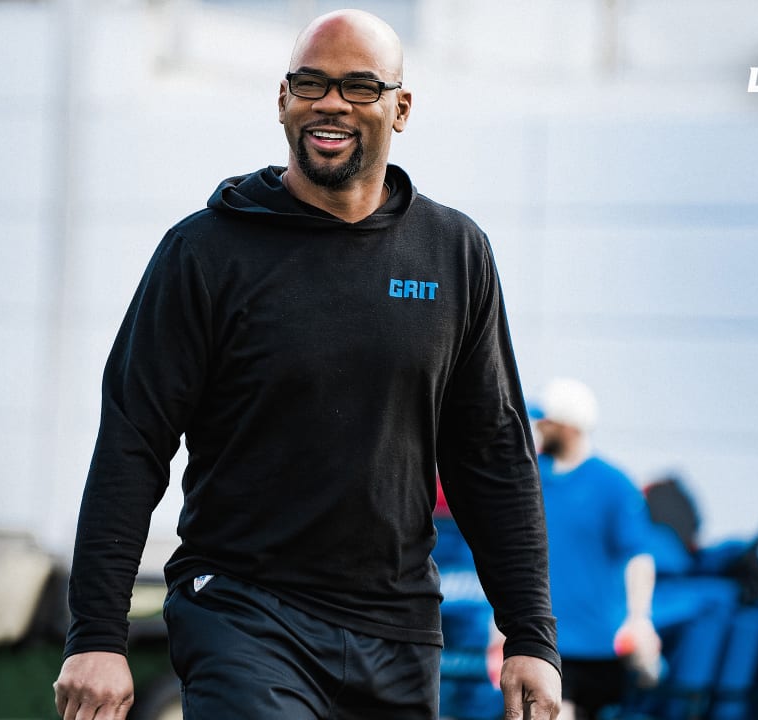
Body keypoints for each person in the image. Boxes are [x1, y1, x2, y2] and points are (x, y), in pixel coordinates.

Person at [54, 9, 561, 720]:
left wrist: (530, 636)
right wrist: (97, 636)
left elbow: (492, 455)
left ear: (401, 107)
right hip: (243, 613)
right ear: (283, 98)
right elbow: (132, 443)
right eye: (311, 83)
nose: (330, 103)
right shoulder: (205, 253)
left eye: (359, 86)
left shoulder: (455, 253)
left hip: (398, 629)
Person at [534, 377, 660, 720]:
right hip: (545, 639)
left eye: (547, 422)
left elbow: (638, 556)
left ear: (569, 427)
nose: (539, 428)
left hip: (597, 642)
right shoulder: (532, 478)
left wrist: (639, 619)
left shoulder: (612, 485)